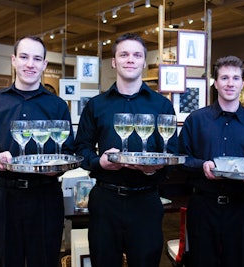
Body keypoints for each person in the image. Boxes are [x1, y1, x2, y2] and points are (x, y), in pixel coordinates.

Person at [74, 33, 178, 267]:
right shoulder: (96, 105)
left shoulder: (161, 105)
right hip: (105, 201)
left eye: (137, 55)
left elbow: (172, 151)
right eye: (124, 54)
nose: (130, 59)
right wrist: (99, 162)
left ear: (143, 62)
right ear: (114, 62)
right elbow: (81, 149)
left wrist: (152, 170)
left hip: (146, 200)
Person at [0, 35, 75, 267]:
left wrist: (57, 168)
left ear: (45, 65)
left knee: (45, 261)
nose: (30, 64)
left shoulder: (57, 106)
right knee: (8, 260)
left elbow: (68, 150)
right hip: (5, 196)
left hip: (46, 195)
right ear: (14, 60)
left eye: (37, 58)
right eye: (24, 57)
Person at [178, 55, 244, 267]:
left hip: (240, 209)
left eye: (235, 78)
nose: (230, 83)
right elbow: (179, 160)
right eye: (224, 78)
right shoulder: (196, 120)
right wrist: (202, 165)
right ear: (215, 83)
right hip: (203, 208)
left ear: (243, 82)